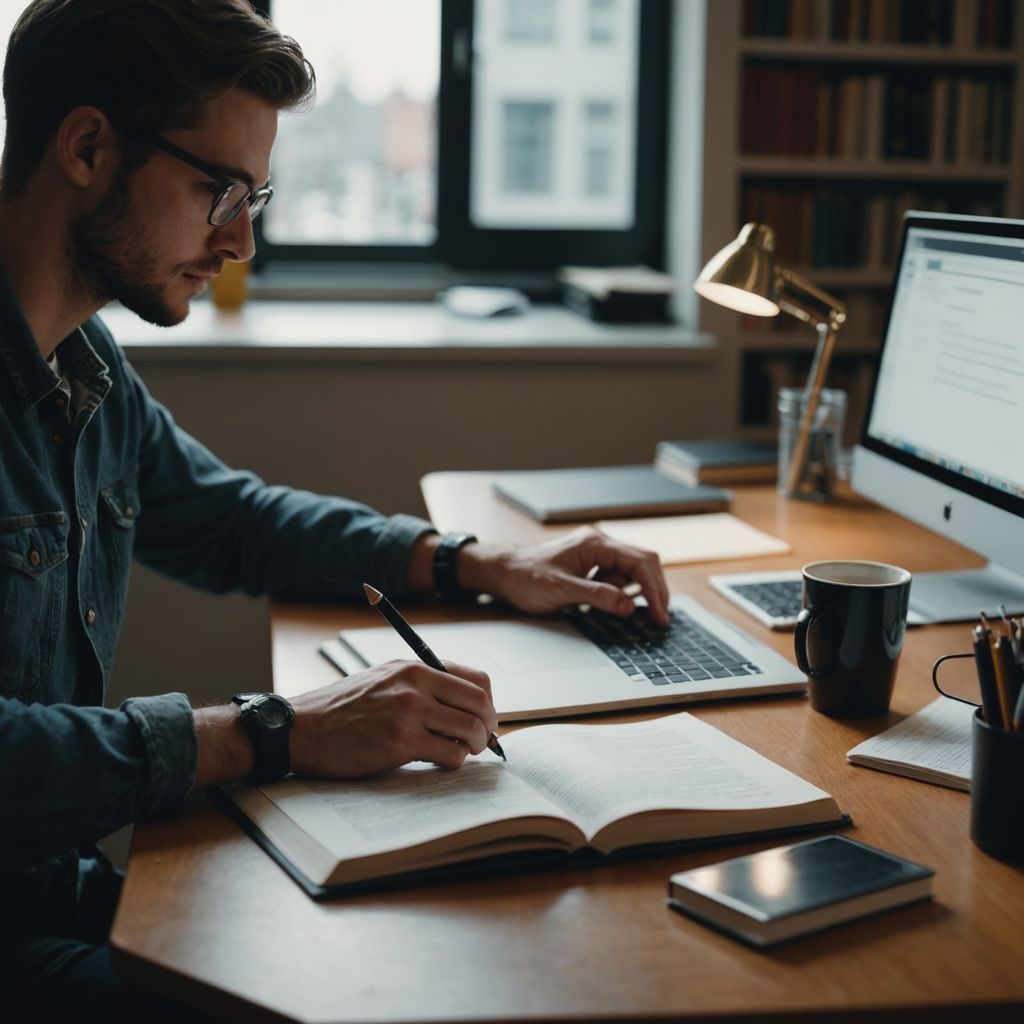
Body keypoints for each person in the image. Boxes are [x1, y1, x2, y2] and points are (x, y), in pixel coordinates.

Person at [0, 0, 670, 1019]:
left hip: (51, 886)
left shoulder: (86, 369)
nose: (241, 241)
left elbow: (235, 521)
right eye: (219, 190)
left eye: (256, 197)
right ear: (88, 146)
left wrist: (477, 563)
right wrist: (273, 733)